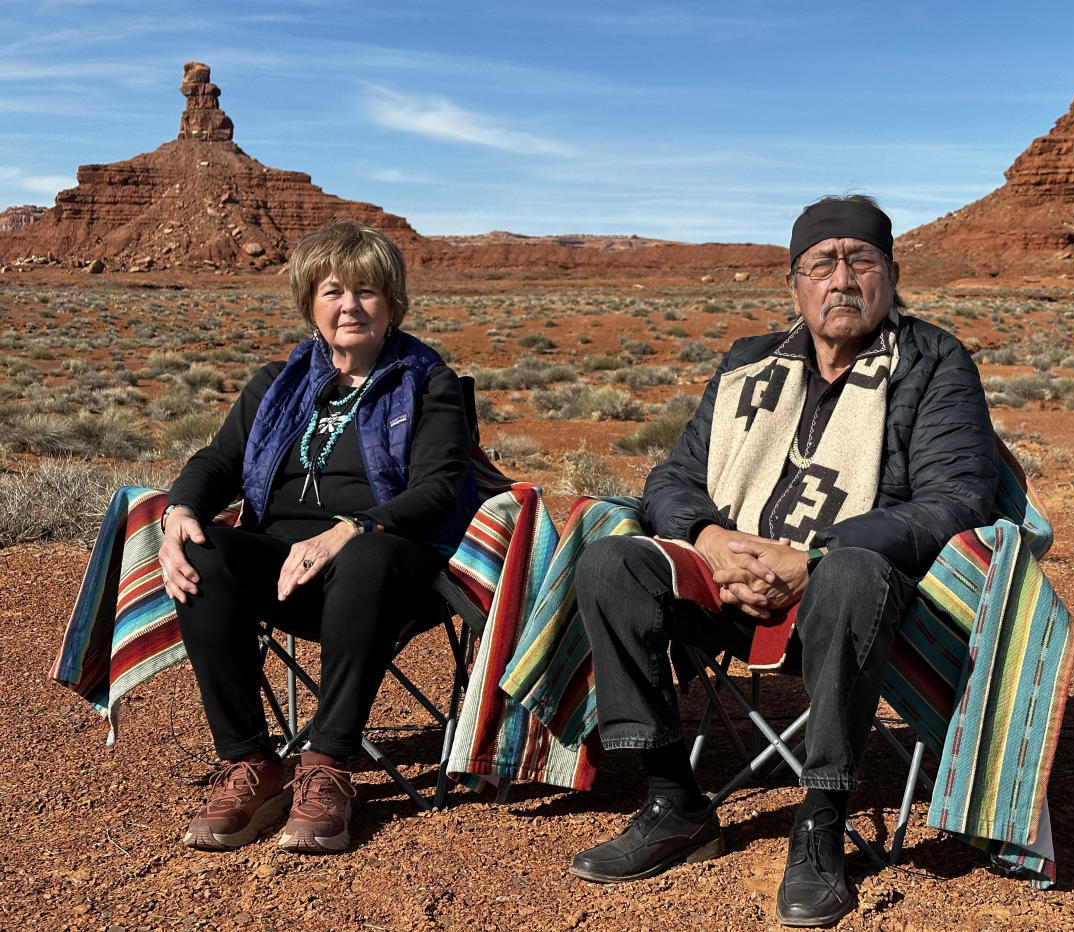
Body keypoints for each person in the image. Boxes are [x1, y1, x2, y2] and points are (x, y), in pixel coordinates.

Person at [569, 195, 997, 926]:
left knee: (858, 572)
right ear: (795, 285)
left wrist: (817, 555)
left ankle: (822, 821)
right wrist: (707, 539)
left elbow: (957, 499)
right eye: (820, 265)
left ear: (892, 275)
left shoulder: (931, 362)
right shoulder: (747, 364)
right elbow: (673, 478)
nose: (842, 280)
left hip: (849, 601)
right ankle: (673, 800)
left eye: (861, 260)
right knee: (613, 563)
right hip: (727, 580)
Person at [158, 218, 477, 854]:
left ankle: (329, 765)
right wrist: (180, 511)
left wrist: (348, 531)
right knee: (204, 550)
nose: (349, 306)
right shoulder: (280, 383)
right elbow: (216, 462)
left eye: (366, 291)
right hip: (281, 569)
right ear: (311, 304)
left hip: (387, 572)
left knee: (366, 555)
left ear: (392, 303)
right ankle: (251, 763)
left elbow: (440, 487)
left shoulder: (429, 381)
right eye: (332, 291)